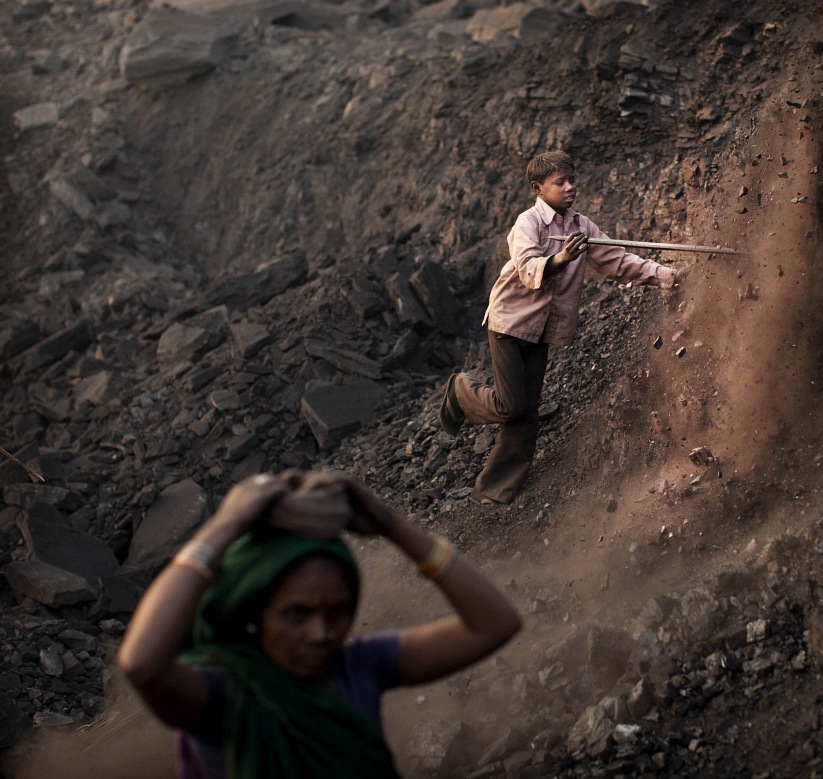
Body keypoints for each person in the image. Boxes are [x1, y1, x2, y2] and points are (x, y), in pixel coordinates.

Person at [117, 470, 521, 779]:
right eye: (296, 614)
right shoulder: (224, 693)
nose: (321, 633)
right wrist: (226, 524)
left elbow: (494, 624)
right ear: (255, 611)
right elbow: (140, 664)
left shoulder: (358, 666)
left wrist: (391, 525)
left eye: (338, 612)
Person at [440, 150, 682, 505]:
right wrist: (562, 258)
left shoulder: (581, 226)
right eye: (560, 183)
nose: (570, 188)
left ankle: (495, 488)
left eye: (572, 181)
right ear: (539, 188)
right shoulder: (529, 223)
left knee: (528, 407)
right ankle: (461, 390)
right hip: (510, 322)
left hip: (542, 329)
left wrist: (664, 275)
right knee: (510, 405)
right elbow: (526, 268)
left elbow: (616, 259)